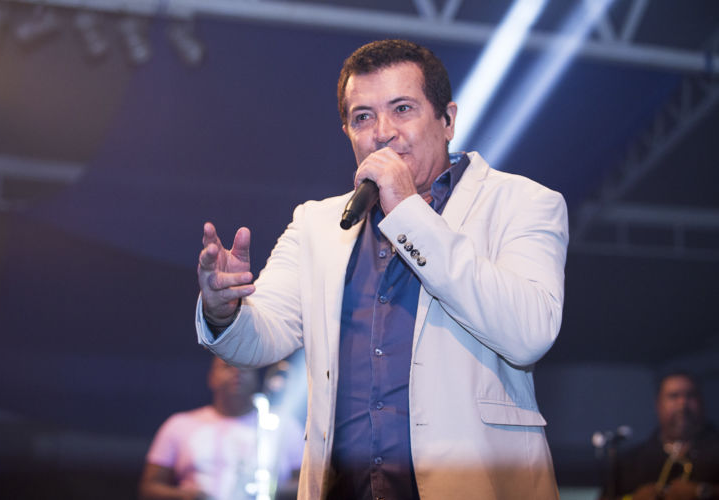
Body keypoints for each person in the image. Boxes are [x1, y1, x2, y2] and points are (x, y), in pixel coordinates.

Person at [195, 39, 568, 499]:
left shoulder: (523, 203)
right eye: (363, 117)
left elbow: (530, 332)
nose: (383, 133)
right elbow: (262, 337)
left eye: (402, 109)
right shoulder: (317, 223)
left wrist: (407, 211)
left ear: (448, 120)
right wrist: (224, 310)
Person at [139, 357, 304, 500]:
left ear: (256, 376)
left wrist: (270, 491)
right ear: (211, 377)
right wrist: (184, 496)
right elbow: (149, 488)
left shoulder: (283, 425)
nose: (237, 372)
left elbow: (309, 482)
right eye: (227, 366)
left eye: (245, 367)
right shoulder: (180, 425)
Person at [609, 372, 719, 500]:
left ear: (701, 402)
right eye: (673, 396)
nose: (682, 404)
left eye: (690, 395)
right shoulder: (631, 462)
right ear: (659, 404)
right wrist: (633, 498)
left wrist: (704, 491)